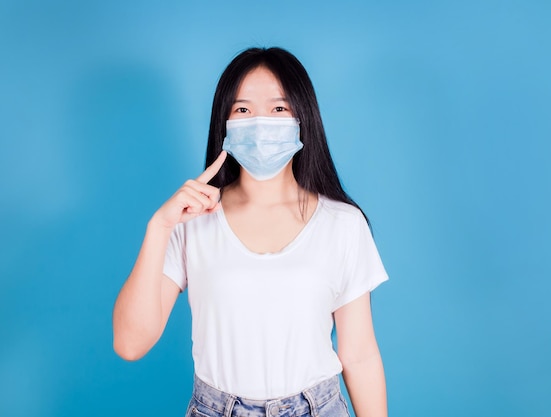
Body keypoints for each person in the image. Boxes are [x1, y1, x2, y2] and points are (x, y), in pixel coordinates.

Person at [113, 47, 389, 417]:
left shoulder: (343, 223)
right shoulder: (190, 221)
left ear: (302, 118)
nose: (261, 122)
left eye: (279, 109)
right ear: (224, 124)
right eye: (243, 109)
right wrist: (159, 227)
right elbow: (130, 344)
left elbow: (359, 354)